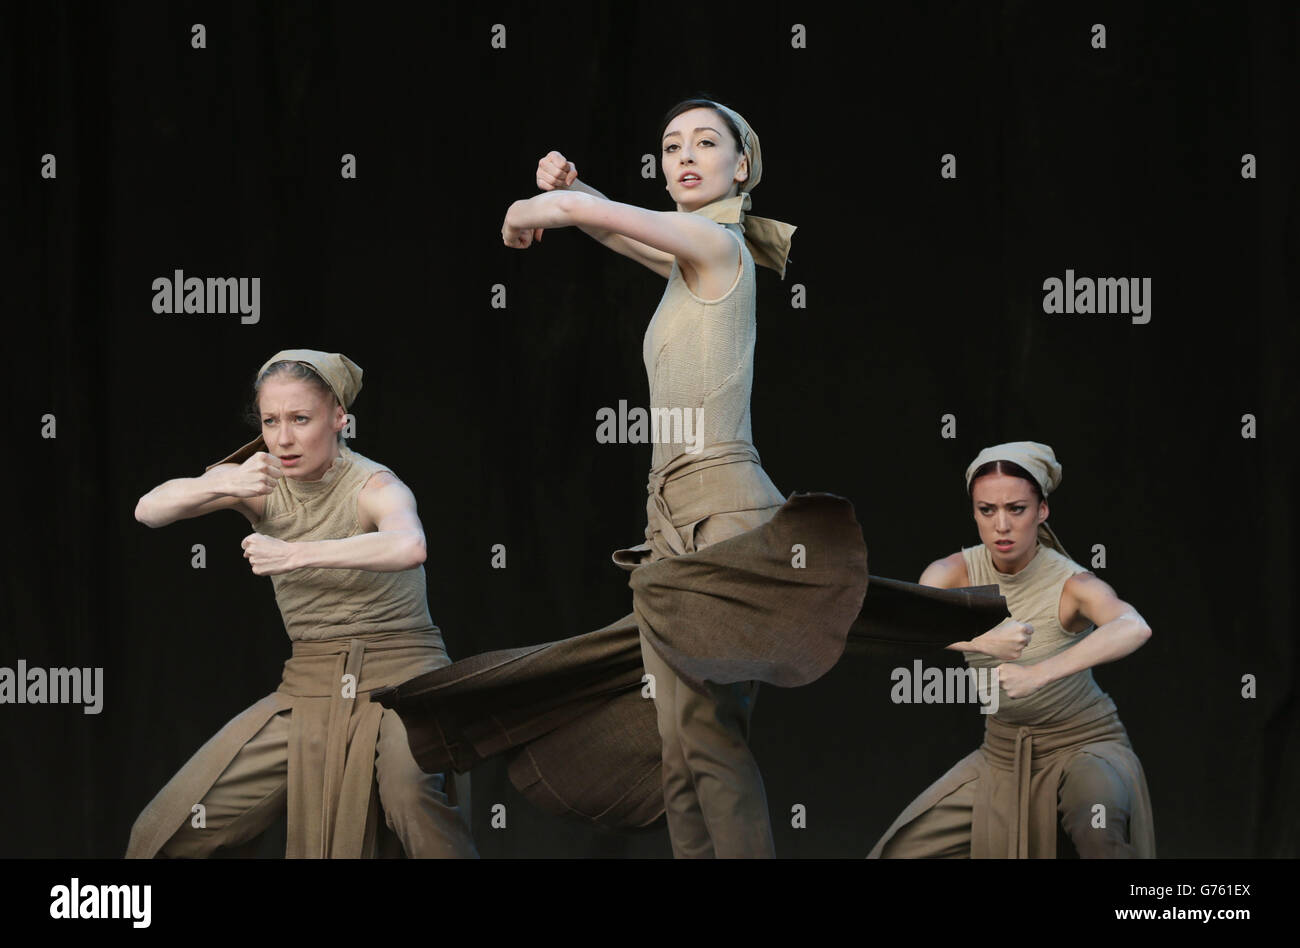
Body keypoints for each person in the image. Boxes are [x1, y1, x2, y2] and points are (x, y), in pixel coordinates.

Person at [125, 349, 478, 858]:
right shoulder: (258, 482)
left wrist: (296, 553)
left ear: (339, 418)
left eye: (300, 419)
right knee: (169, 827)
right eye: (270, 421)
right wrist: (215, 482)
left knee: (410, 794)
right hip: (310, 684)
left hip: (405, 677)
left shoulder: (373, 484)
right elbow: (148, 511)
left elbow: (409, 545)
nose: (283, 438)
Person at [869, 441, 1156, 858]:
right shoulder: (953, 572)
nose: (1001, 525)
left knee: (1098, 832)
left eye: (1016, 509)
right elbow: (905, 624)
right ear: (974, 513)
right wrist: (980, 640)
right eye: (987, 510)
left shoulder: (1072, 583)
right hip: (1003, 752)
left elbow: (1134, 626)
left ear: (1041, 512)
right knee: (901, 851)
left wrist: (1038, 673)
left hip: (1083, 744)